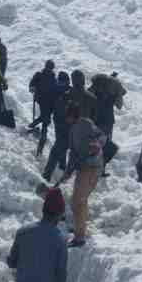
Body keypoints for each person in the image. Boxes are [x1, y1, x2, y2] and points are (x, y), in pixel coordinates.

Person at [58, 70, 102, 248]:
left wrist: (95, 145)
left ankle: (80, 236)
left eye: (67, 115)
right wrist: (68, 171)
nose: (65, 118)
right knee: (79, 200)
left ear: (72, 115)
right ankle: (79, 230)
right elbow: (73, 153)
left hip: (91, 166)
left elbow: (101, 137)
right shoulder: (73, 128)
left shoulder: (84, 124)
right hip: (84, 167)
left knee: (77, 201)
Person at [88, 73, 124, 178]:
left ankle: (93, 168)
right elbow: (120, 103)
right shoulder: (112, 94)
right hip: (107, 123)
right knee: (106, 146)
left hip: (97, 122)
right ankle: (101, 169)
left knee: (95, 145)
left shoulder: (94, 91)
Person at [41, 72, 72, 181]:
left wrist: (47, 116)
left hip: (60, 122)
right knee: (61, 144)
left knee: (59, 144)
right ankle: (62, 165)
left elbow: (49, 105)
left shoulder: (55, 90)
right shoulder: (71, 90)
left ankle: (50, 172)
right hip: (67, 123)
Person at [28, 60, 60, 156]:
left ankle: (33, 125)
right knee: (45, 120)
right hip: (44, 101)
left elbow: (32, 85)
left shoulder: (52, 77)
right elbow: (31, 85)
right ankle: (42, 138)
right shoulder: (40, 75)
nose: (49, 69)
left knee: (44, 117)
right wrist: (33, 88)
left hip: (48, 101)